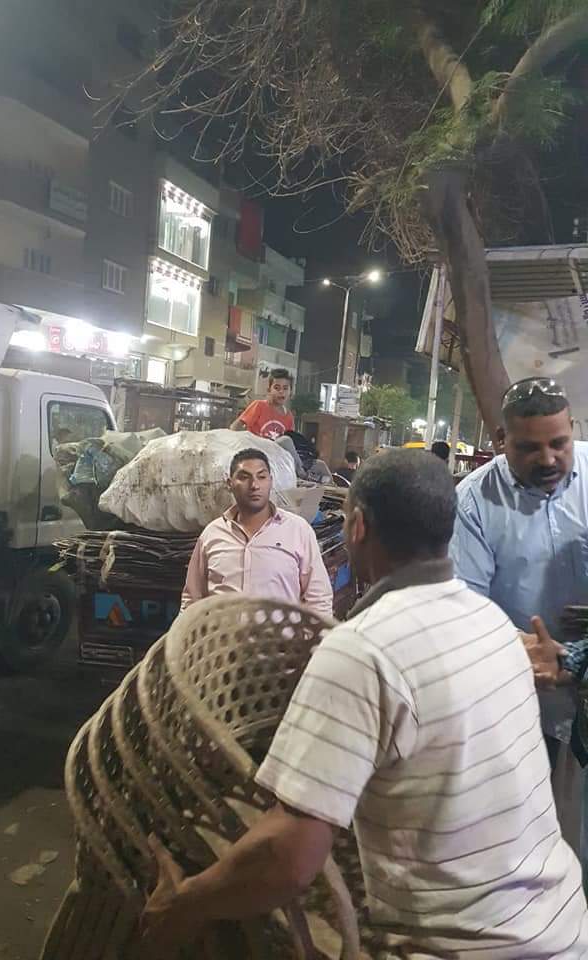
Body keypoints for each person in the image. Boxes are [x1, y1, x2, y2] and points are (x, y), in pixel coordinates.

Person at [144, 450, 588, 959]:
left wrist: (185, 903)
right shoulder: (492, 622)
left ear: (357, 526)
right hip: (563, 929)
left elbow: (288, 859)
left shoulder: (363, 649)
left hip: (463, 948)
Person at [449, 379, 588, 757]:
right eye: (529, 447)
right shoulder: (473, 502)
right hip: (521, 701)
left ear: (572, 428)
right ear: (501, 439)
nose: (548, 459)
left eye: (559, 443)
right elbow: (463, 608)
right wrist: (519, 646)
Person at [181, 448, 333, 619]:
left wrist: (314, 635)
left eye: (261, 477)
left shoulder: (298, 530)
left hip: (279, 636)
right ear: (229, 483)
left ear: (271, 481)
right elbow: (192, 600)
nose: (254, 485)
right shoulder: (213, 534)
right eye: (244, 477)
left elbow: (319, 599)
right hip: (225, 636)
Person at [229, 368, 294, 440]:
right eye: (277, 388)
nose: (281, 391)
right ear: (269, 390)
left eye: (285, 388)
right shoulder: (259, 406)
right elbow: (235, 427)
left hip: (275, 447)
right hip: (255, 445)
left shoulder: (289, 417)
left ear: (290, 392)